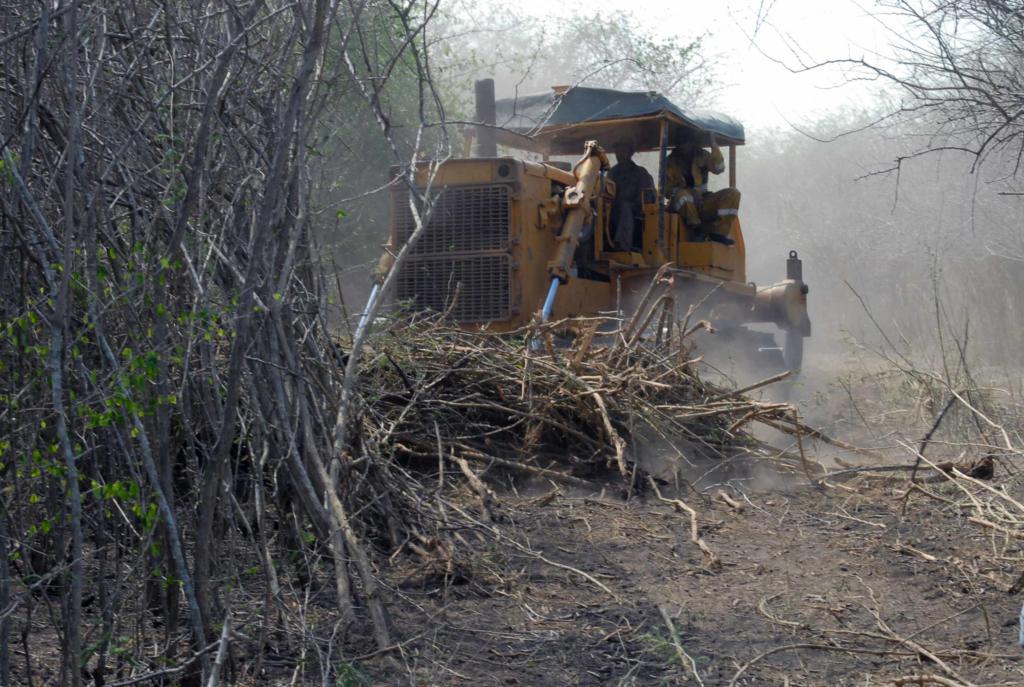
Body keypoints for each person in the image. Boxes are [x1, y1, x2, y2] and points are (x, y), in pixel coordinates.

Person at [664, 132, 740, 244]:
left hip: (702, 201)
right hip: (682, 207)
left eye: (687, 140)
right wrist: (690, 192)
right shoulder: (670, 162)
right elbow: (667, 191)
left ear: (693, 142)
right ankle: (697, 230)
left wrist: (713, 144)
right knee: (683, 196)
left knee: (733, 193)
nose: (683, 143)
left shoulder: (703, 155)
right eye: (680, 140)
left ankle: (718, 234)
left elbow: (719, 168)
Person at [607, 141, 655, 250]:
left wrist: (633, 203)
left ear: (630, 153)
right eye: (617, 152)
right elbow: (606, 192)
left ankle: (622, 245)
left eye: (623, 152)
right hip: (614, 208)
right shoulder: (612, 173)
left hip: (637, 210)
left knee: (625, 207)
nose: (620, 155)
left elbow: (646, 195)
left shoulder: (641, 173)